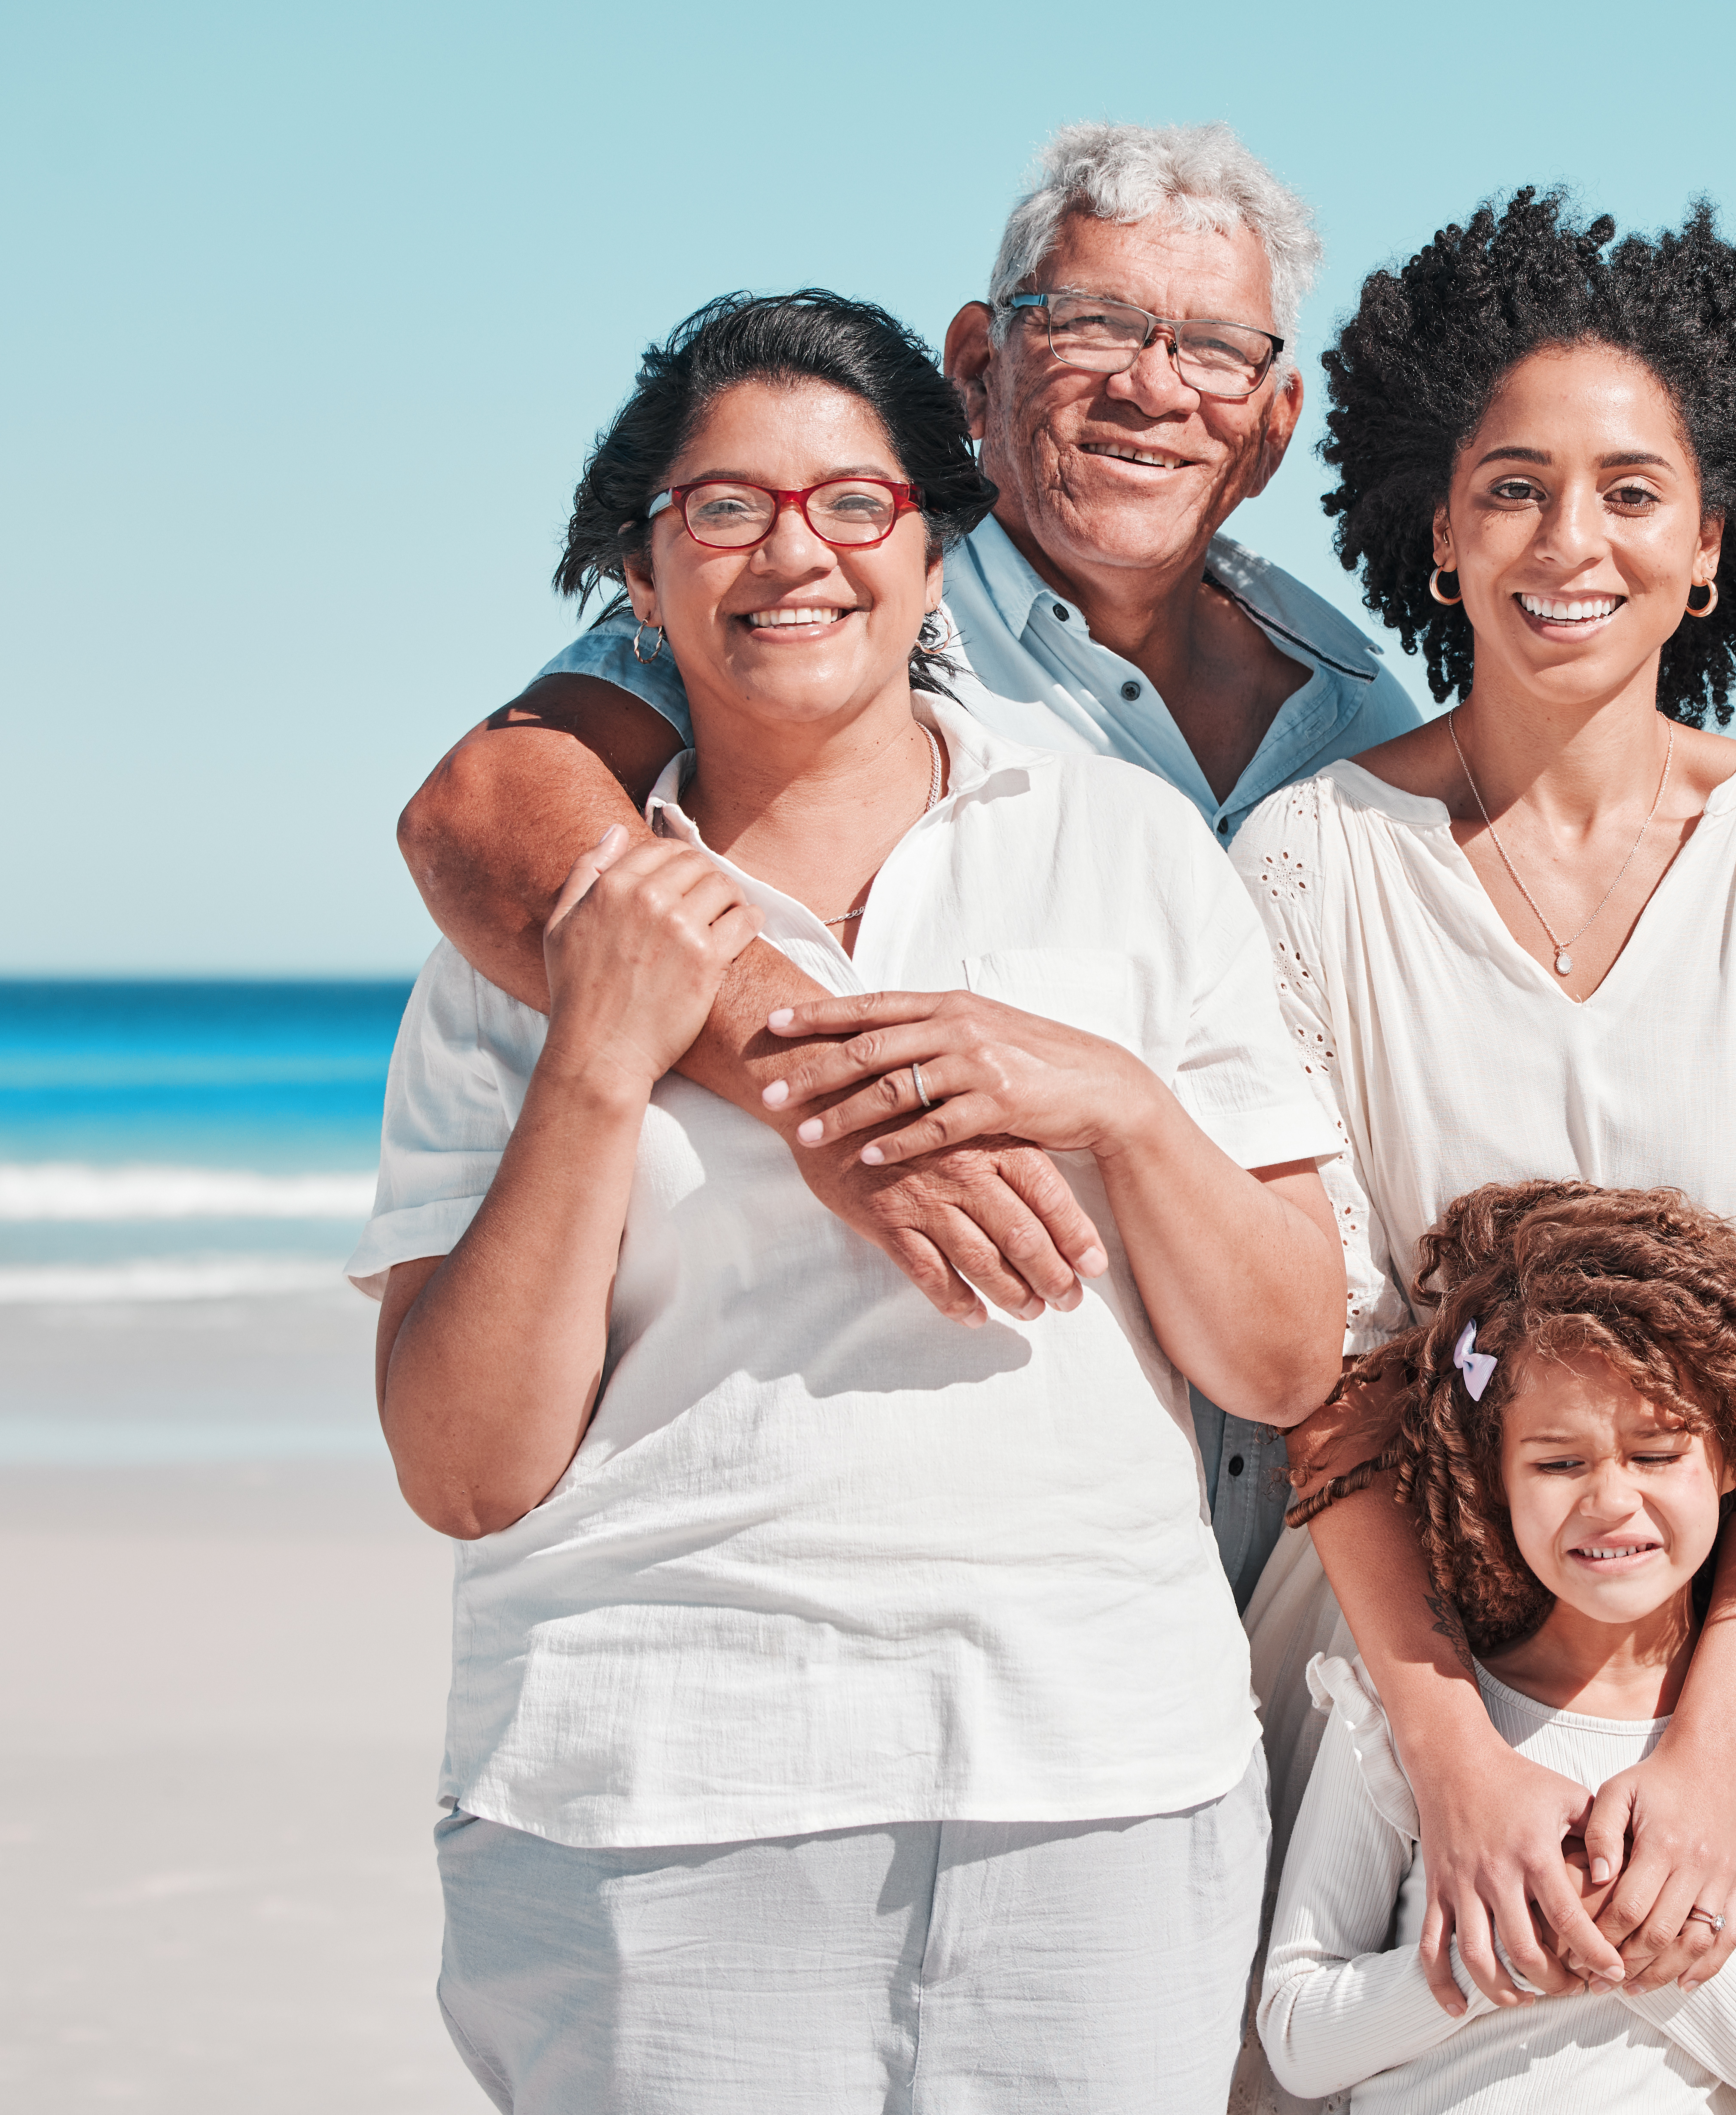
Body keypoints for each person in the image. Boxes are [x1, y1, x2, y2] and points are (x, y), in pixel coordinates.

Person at [348, 290, 1348, 2111]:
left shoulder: (1123, 852)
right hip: (649, 1781)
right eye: (720, 508)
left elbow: (1283, 1353)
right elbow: (462, 1464)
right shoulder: (532, 918)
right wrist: (606, 1046)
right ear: (637, 584)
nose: (789, 551)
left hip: (1099, 1773)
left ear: (938, 549)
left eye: (853, 503)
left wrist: (1113, 1103)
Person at [393, 121, 1417, 1608]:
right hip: (920, 1559)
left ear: (1272, 417)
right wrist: (842, 1104)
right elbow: (485, 808)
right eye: (1094, 324)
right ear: (980, 364)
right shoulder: (821, 592)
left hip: (1283, 1563)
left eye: (1213, 350)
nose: (1151, 385)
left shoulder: (1350, 704)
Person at [1233, 188, 1736, 2108]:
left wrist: (1707, 1761)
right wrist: (1448, 1758)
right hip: (1388, 1696)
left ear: (1712, 546)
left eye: (1632, 491)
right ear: (1436, 533)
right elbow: (1330, 1372)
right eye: (1513, 488)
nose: (1571, 541)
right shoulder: (1304, 869)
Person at [1256, 1182, 1736, 2115]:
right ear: (1493, 1477)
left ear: (1731, 1458)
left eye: (1655, 1453)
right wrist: (1502, 1955)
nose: (1609, 1499)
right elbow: (1297, 2032)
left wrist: (1636, 1934)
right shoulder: (1406, 1718)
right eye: (1559, 1462)